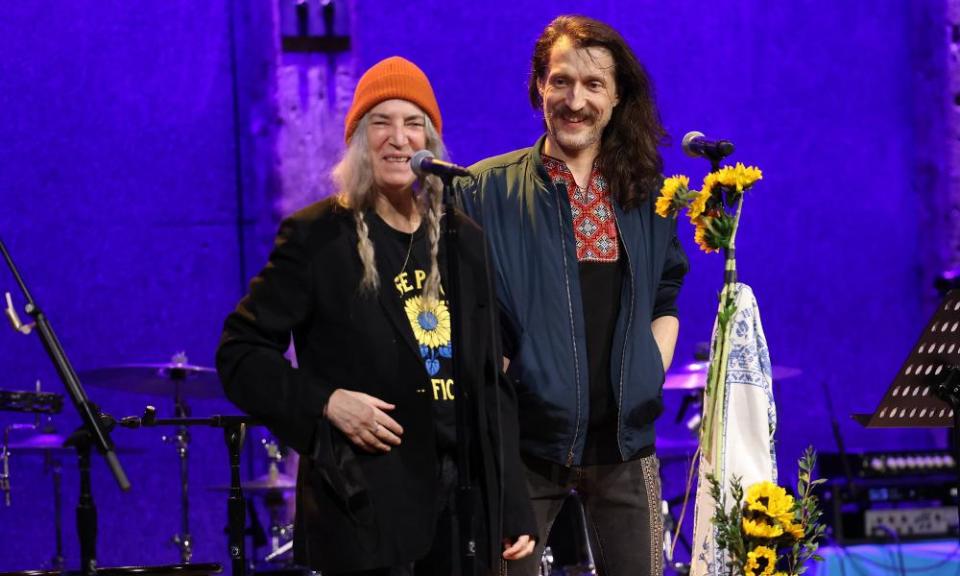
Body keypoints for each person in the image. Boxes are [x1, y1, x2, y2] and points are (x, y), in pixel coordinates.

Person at [217, 56, 536, 576]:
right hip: (367, 505)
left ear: (430, 143)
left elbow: (488, 377)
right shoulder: (318, 237)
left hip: (460, 510)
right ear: (359, 140)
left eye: (413, 124)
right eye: (380, 123)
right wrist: (327, 402)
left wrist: (511, 500)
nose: (398, 138)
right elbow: (239, 354)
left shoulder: (462, 239)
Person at [456, 16, 689, 576]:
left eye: (593, 85)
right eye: (560, 81)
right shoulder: (482, 191)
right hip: (523, 450)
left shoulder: (649, 194)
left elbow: (666, 294)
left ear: (616, 98)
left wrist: (647, 373)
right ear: (539, 85)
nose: (574, 100)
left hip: (626, 447)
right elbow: (458, 311)